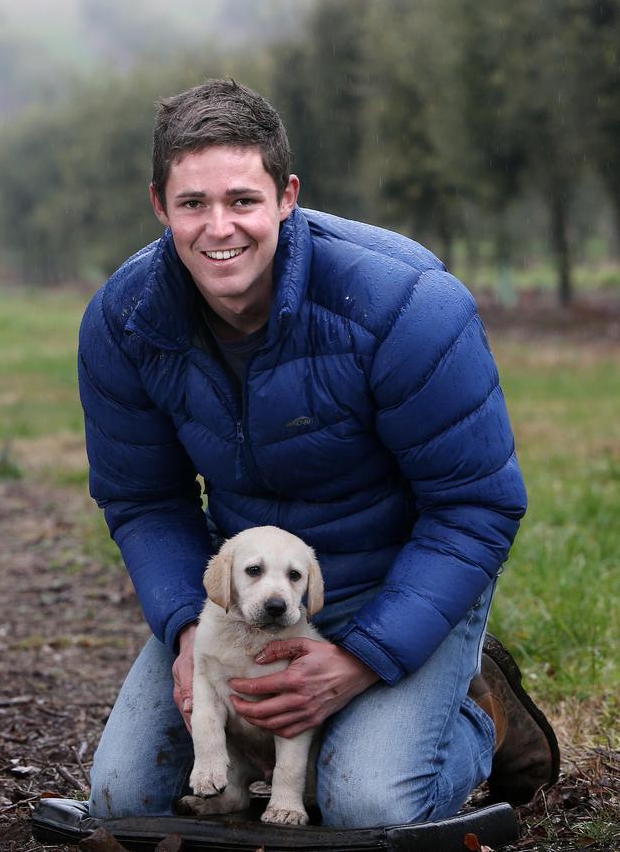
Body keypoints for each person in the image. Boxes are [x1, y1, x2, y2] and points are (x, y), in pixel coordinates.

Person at [78, 78, 559, 828]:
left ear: (287, 195)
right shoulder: (125, 320)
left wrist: (360, 659)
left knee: (364, 806)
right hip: (254, 594)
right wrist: (186, 629)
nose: (218, 228)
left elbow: (476, 504)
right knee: (124, 801)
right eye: (192, 204)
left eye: (242, 199)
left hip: (403, 577)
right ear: (158, 205)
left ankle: (479, 718)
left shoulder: (407, 302)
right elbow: (146, 498)